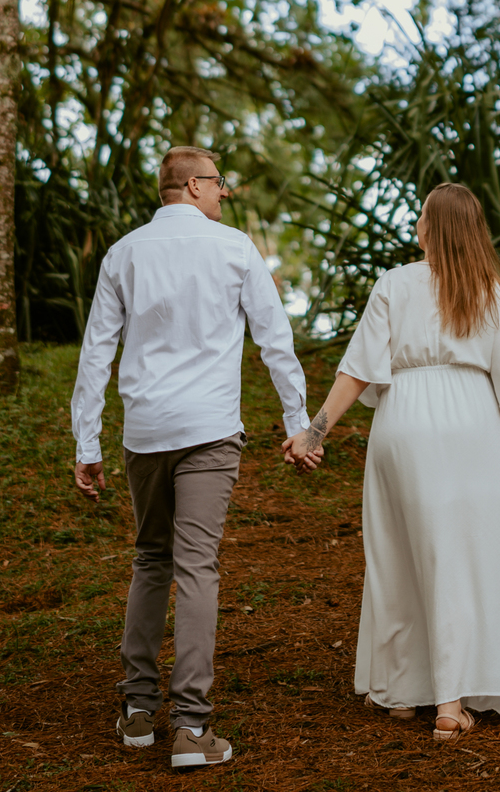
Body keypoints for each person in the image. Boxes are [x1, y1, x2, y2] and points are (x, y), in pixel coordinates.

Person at [282, 181, 500, 742]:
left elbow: (358, 370)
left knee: (399, 553)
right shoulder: (489, 290)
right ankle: (448, 703)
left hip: (403, 425)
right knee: (472, 555)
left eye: (421, 216)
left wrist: (314, 432)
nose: (416, 224)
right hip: (473, 424)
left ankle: (403, 691)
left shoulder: (394, 283)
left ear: (430, 228)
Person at [70, 146, 311, 770]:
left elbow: (97, 351)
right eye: (219, 182)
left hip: (145, 433)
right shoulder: (233, 248)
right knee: (197, 568)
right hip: (207, 429)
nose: (224, 193)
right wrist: (298, 423)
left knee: (152, 559)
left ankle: (140, 711)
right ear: (193, 185)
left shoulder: (124, 253)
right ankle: (194, 730)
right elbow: (274, 339)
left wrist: (86, 442)